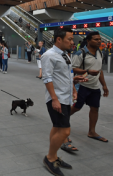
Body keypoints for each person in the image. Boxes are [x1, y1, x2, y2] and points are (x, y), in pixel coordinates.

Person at [41, 28, 88, 176]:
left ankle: (53, 156)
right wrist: (55, 99)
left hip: (65, 98)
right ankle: (49, 158)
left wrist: (73, 85)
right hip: (57, 99)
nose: (72, 42)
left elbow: (66, 75)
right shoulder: (49, 56)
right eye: (69, 39)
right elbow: (47, 78)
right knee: (65, 131)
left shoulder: (65, 55)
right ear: (59, 39)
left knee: (57, 128)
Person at [62, 32, 109, 153]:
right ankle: (62, 129)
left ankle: (92, 132)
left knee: (95, 108)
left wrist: (104, 85)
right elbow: (72, 68)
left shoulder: (100, 52)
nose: (99, 41)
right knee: (75, 108)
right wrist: (87, 70)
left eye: (100, 39)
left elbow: (100, 70)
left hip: (94, 87)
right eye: (96, 39)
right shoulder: (80, 53)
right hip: (81, 86)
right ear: (88, 41)